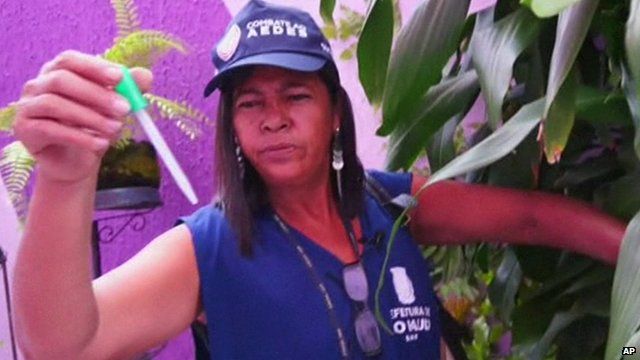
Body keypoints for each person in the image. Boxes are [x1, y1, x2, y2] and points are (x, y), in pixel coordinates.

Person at [11, 1, 626, 359]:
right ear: (233, 125)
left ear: (335, 114)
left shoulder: (393, 202)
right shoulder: (208, 249)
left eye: (295, 94)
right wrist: (66, 182)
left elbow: (533, 218)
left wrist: (632, 256)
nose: (273, 118)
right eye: (250, 103)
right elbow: (65, 343)